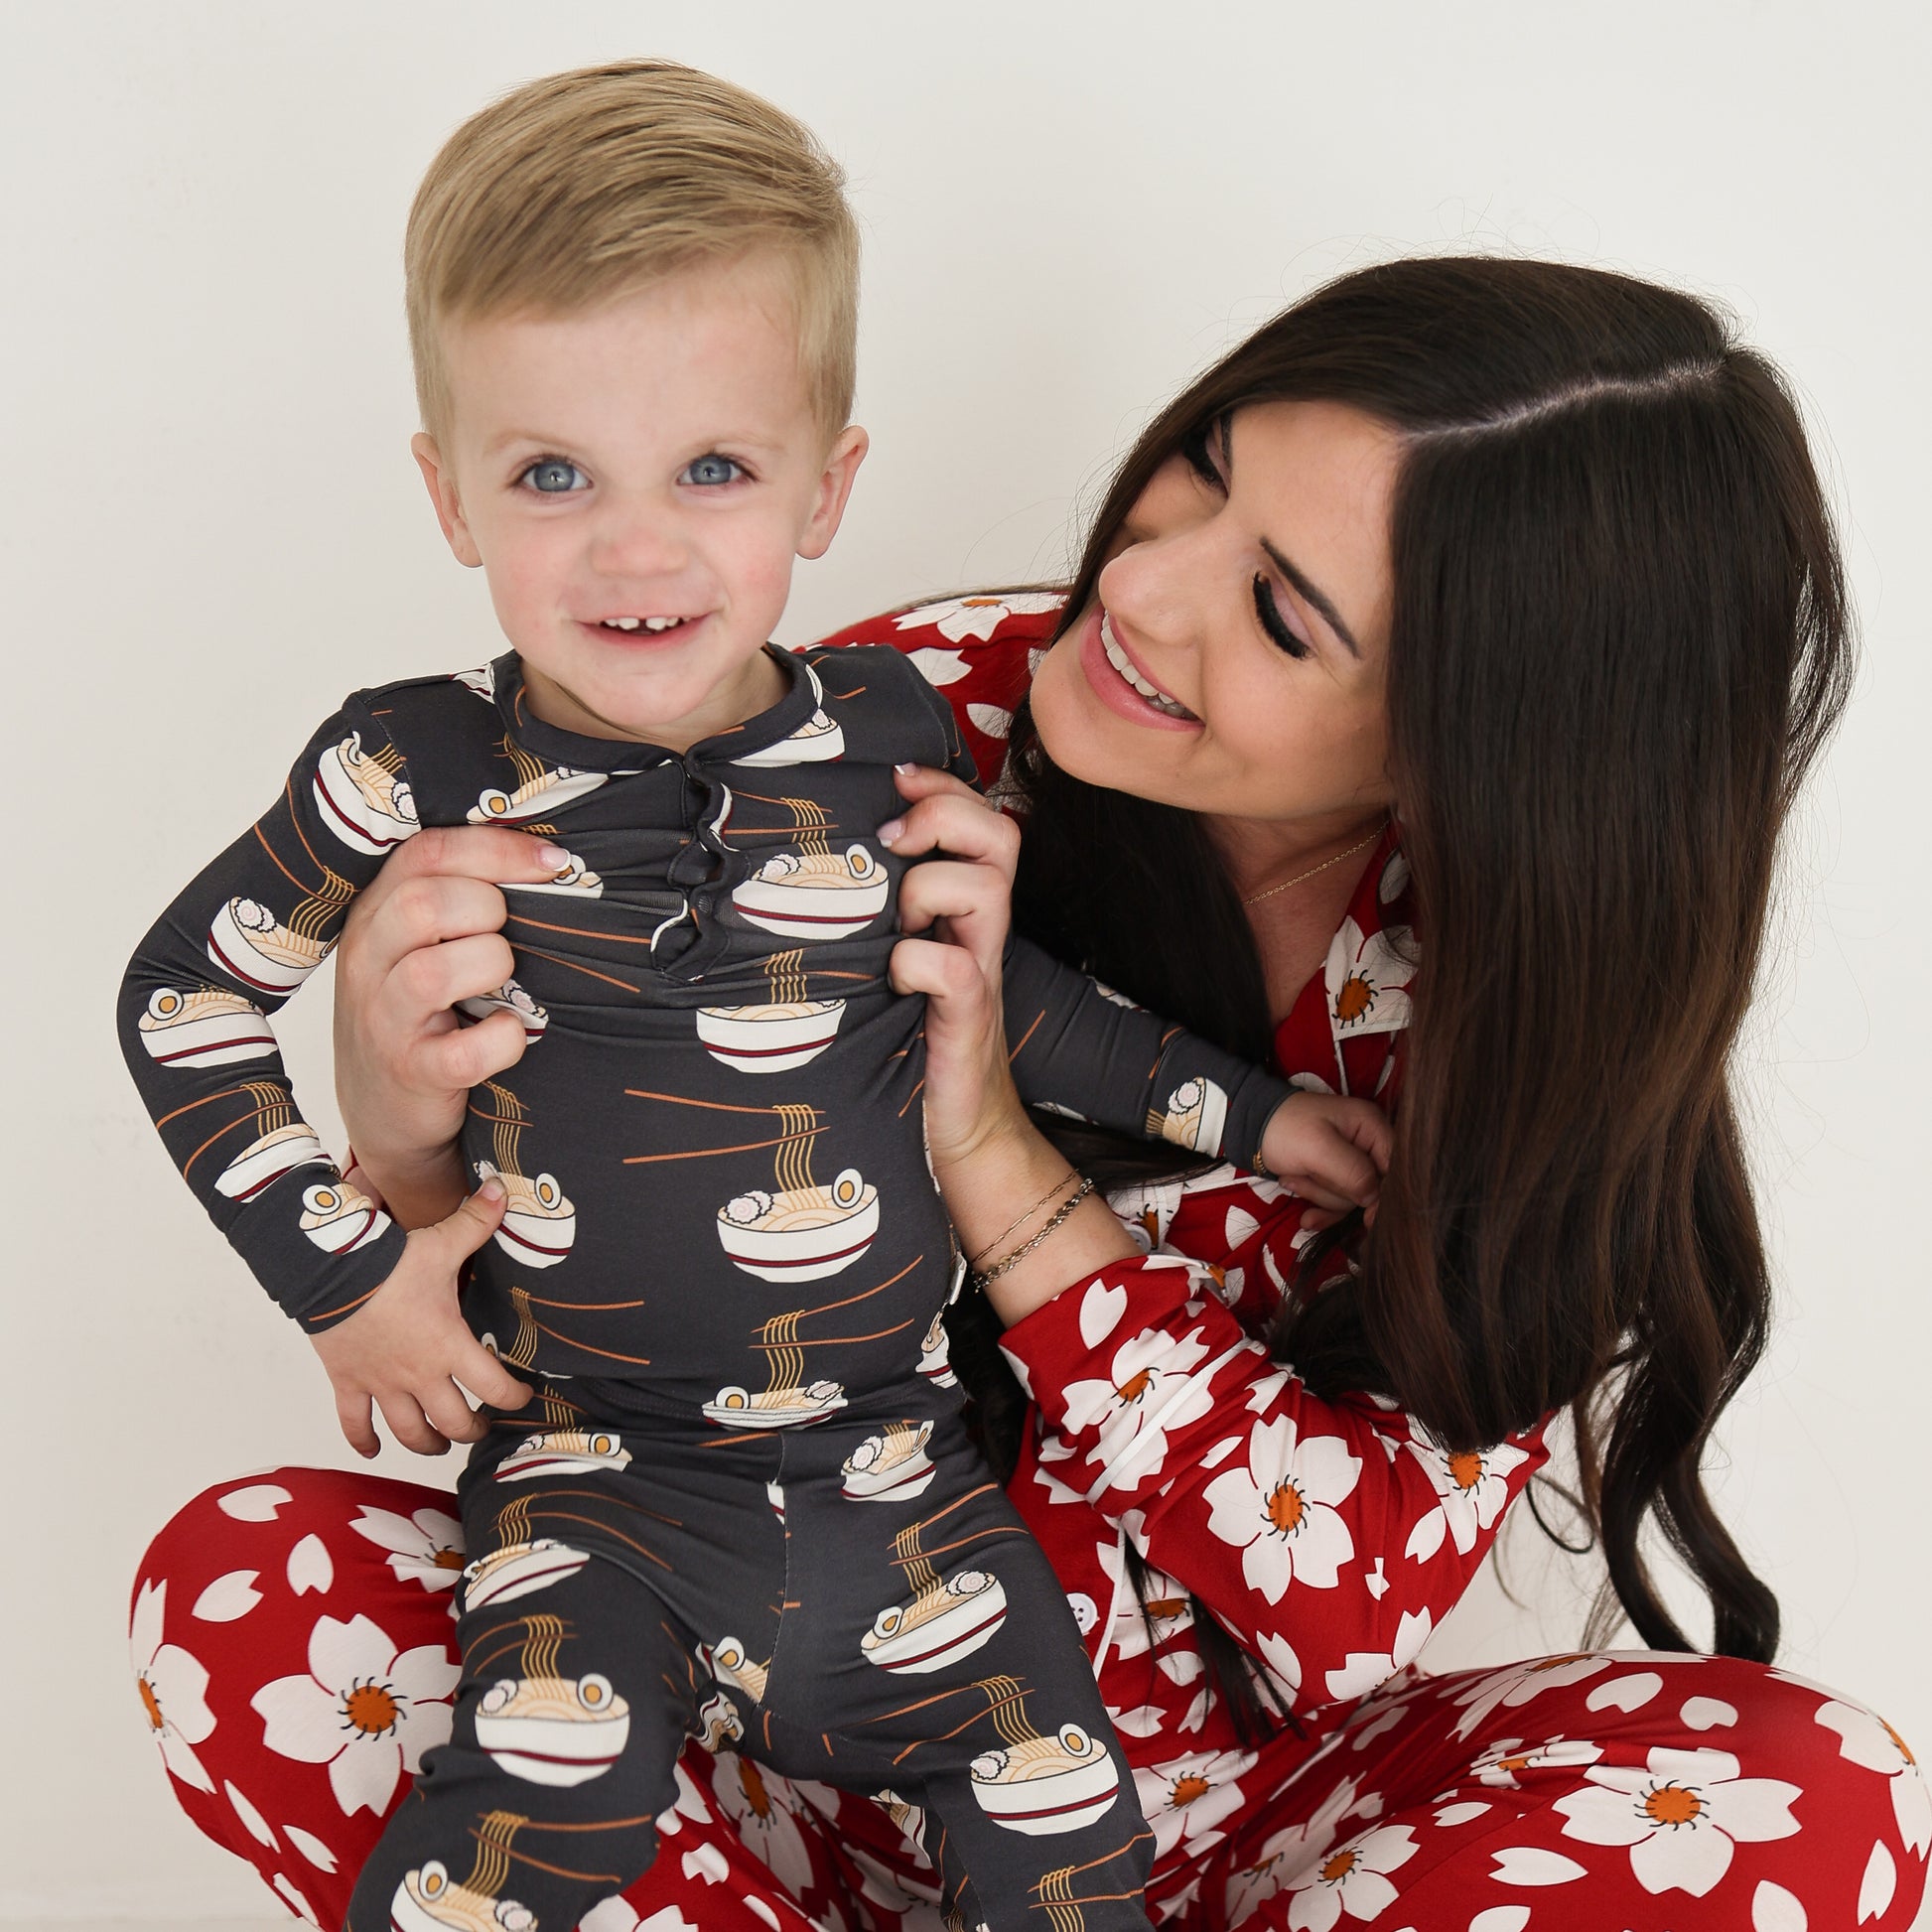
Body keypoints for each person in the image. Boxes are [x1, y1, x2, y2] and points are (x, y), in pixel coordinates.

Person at [131, 255, 1931, 1930]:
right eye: (1195, 475)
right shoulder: (913, 713)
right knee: (254, 1594)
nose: (1137, 587)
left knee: (1810, 1790)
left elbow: (1343, 1589)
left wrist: (989, 1148)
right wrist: (393, 1126)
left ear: (1483, 742)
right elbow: (588, 1289)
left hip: (1217, 1814)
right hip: (721, 1740)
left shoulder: (1516, 1024)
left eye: (1280, 613)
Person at [116, 62, 1396, 1932]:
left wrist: (1263, 1113)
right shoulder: (407, 767)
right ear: (447, 495)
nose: (636, 549)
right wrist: (345, 1261)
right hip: (597, 1477)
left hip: (900, 1476)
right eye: (552, 474)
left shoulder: (889, 735)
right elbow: (180, 1002)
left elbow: (1007, 1004)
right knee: (522, 1824)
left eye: (711, 468)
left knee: (1063, 1837)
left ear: (827, 482)